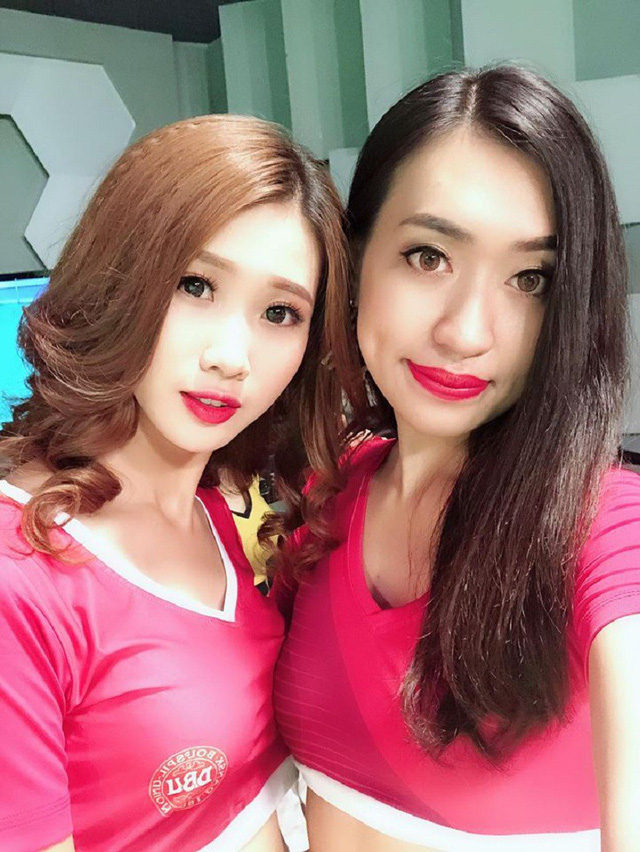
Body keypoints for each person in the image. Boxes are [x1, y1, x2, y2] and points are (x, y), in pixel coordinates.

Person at [274, 65, 640, 851]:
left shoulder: (604, 523)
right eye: (428, 256)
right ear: (356, 260)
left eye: (530, 279)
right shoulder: (331, 493)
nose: (467, 332)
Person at [0, 114, 349, 851]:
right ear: (118, 276)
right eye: (196, 284)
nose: (231, 355)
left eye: (280, 312)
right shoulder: (19, 576)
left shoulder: (217, 512)